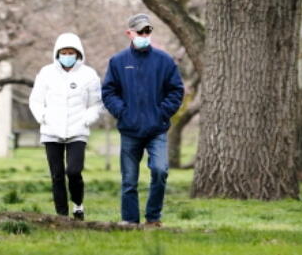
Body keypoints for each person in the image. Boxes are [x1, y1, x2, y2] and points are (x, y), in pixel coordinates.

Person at [101, 13, 185, 227]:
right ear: (129, 33)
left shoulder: (164, 60)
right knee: (129, 180)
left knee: (160, 170)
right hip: (129, 129)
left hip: (157, 128)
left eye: (148, 31)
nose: (145, 35)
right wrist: (123, 112)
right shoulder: (118, 61)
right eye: (140, 31)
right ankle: (129, 220)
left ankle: (153, 218)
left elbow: (176, 90)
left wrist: (161, 112)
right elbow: (109, 91)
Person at [28, 32, 102, 220]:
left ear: (78, 54)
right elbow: (35, 100)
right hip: (51, 131)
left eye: (71, 52)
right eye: (64, 52)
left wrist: (88, 118)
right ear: (57, 53)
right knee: (57, 175)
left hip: (78, 130)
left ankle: (78, 205)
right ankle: (62, 215)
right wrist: (43, 117)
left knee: (74, 171)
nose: (67, 56)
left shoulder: (89, 74)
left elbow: (96, 103)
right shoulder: (46, 73)